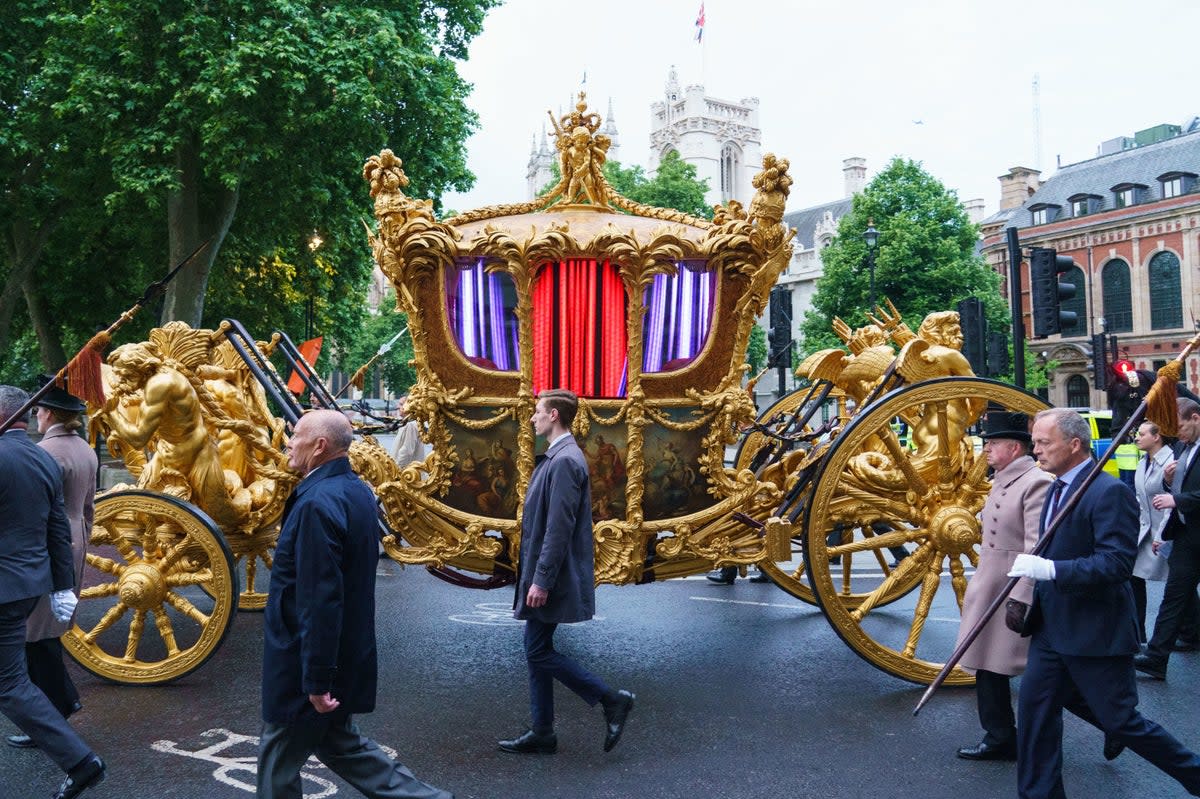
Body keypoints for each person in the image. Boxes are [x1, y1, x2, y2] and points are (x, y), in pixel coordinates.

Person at [257, 409, 451, 799]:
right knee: (343, 747)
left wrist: (316, 678)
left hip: (304, 660)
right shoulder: (355, 490)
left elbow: (318, 600)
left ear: (319, 446)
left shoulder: (316, 502)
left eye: (296, 436)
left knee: (277, 762)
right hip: (341, 653)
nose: (289, 443)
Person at [1010, 408, 1200, 798]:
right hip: (1051, 629)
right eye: (1035, 442)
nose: (1036, 451)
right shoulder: (1056, 486)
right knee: (1034, 716)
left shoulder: (1107, 491)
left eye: (1044, 443)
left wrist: (1051, 570)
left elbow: (1115, 563)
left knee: (1122, 722)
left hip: (1094, 630)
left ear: (1074, 444)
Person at [499, 389, 635, 755]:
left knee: (538, 651)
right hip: (547, 572)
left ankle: (610, 699)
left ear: (554, 415)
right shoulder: (561, 457)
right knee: (536, 648)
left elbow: (558, 528)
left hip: (551, 576)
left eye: (537, 412)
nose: (532, 418)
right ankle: (542, 731)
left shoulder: (563, 462)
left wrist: (541, 579)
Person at [0, 385, 106, 799]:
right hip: (30, 581)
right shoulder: (39, 457)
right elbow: (59, 527)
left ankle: (81, 761)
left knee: (10, 685)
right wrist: (62, 584)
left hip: (6, 586)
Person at [954, 412, 1051, 761]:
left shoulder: (1035, 482)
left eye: (992, 444)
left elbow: (1035, 545)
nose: (986, 450)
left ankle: (1114, 723)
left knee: (1050, 675)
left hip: (1010, 587)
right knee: (986, 664)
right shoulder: (1003, 479)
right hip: (990, 583)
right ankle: (999, 736)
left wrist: (1022, 596)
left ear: (1013, 448)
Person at [1135, 398, 1200, 680]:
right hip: (1188, 534)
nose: (1178, 434)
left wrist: (1176, 498)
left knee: (1179, 594)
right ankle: (1156, 657)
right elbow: (1179, 487)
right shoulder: (1186, 448)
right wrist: (1169, 482)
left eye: (1181, 426)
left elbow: (1182, 496)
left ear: (1196, 418)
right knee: (1175, 594)